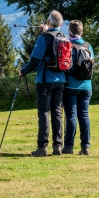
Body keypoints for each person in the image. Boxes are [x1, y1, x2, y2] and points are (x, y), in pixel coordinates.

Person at [20, 10, 67, 157]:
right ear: (61, 24)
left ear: (48, 22)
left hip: (45, 80)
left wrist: (24, 71)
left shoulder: (43, 38)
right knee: (57, 112)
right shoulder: (64, 37)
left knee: (44, 113)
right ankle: (58, 146)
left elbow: (35, 59)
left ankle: (42, 147)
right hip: (61, 80)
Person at [62, 20, 93, 155]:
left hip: (71, 85)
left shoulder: (68, 45)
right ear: (82, 31)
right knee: (84, 115)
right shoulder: (88, 46)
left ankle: (68, 146)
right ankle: (85, 146)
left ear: (69, 31)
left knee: (71, 116)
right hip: (86, 86)